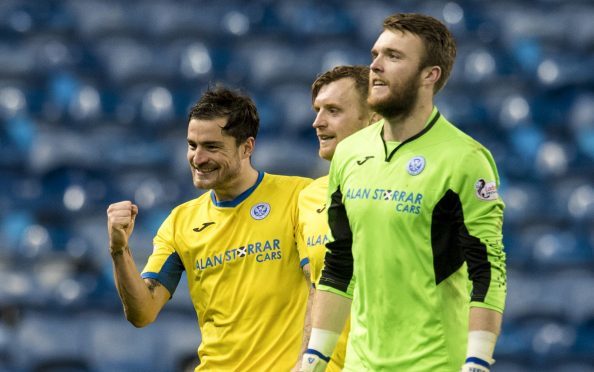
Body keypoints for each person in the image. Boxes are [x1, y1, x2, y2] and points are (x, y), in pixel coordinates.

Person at [302, 13, 507, 372]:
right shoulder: (349, 155)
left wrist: (477, 361)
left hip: (436, 362)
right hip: (361, 363)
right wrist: (314, 358)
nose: (375, 67)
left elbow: (487, 270)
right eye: (375, 55)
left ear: (430, 75)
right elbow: (339, 263)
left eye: (394, 57)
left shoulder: (465, 159)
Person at [106, 86, 313, 371]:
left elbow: (322, 283)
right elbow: (142, 312)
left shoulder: (299, 197)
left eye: (212, 147)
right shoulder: (181, 222)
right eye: (192, 145)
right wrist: (119, 250)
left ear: (247, 147)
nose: (198, 158)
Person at [297, 65, 377, 371]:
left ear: (373, 118)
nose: (317, 122)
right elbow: (314, 289)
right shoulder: (309, 198)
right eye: (317, 110)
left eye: (333, 110)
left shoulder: (415, 187)